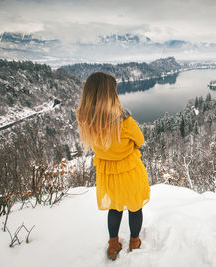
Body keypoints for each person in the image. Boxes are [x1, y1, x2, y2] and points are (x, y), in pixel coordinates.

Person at [76, 72, 150, 261]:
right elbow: (140, 140)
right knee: (135, 208)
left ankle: (113, 244)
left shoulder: (87, 122)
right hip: (130, 171)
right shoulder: (125, 122)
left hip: (107, 174)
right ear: (111, 95)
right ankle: (134, 242)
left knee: (114, 209)